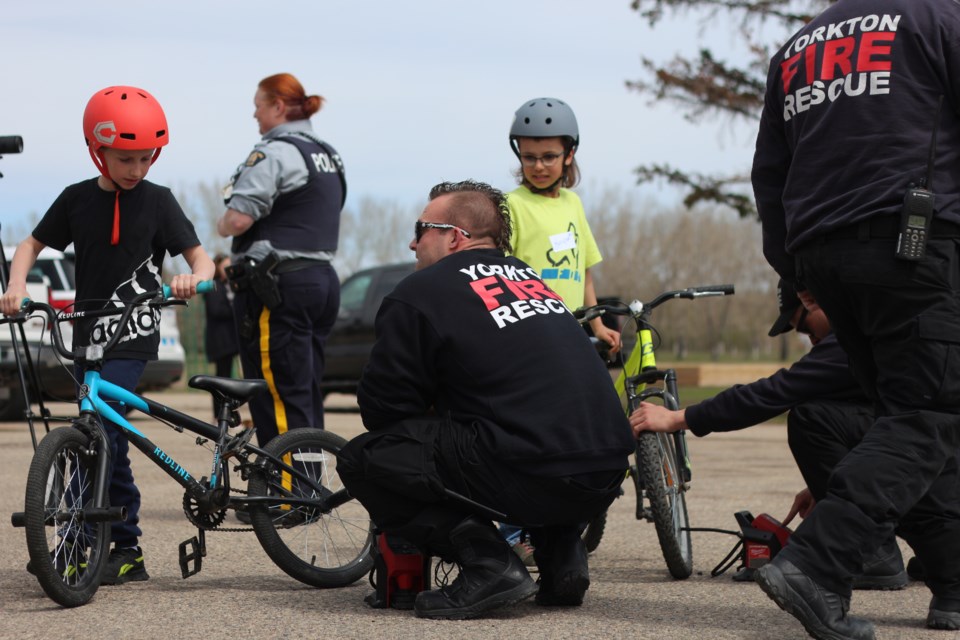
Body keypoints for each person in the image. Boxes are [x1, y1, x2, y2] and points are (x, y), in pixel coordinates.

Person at [751, 1, 960, 636]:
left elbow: (770, 175)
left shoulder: (797, 47)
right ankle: (817, 566)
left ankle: (953, 582)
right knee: (930, 412)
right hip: (915, 242)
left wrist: (796, 275)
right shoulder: (938, 19)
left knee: (903, 418)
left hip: (824, 255)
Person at [337, 180, 634, 620]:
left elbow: (384, 411)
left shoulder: (419, 292)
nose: (412, 242)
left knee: (367, 459)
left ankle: (490, 564)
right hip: (603, 477)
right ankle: (562, 556)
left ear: (455, 236)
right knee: (520, 430)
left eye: (422, 229)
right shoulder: (531, 280)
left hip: (535, 476)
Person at [0, 85, 214, 584]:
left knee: (100, 435)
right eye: (125, 159)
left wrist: (191, 277)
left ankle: (77, 544)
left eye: (145, 158)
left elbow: (199, 257)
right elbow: (30, 245)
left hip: (133, 335)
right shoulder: (76, 200)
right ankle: (127, 550)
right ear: (98, 150)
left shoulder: (158, 202)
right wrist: (14, 284)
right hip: (84, 336)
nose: (136, 169)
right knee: (104, 441)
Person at [630, 279, 907, 589]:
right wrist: (837, 481)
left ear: (816, 300)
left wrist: (680, 418)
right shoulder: (881, 317)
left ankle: (875, 552)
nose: (810, 339)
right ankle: (941, 552)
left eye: (803, 326)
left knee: (811, 418)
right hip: (939, 464)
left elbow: (773, 393)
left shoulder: (848, 340)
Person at [499, 97, 621, 557]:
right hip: (531, 336)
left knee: (580, 434)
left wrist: (599, 323)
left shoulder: (572, 203)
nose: (539, 165)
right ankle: (515, 533)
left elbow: (583, 270)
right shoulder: (509, 207)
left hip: (573, 335)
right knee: (534, 436)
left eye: (549, 156)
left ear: (569, 154)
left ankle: (560, 522)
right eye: (529, 157)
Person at [216, 72, 345, 447]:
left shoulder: (274, 152)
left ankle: (285, 498)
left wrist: (223, 225)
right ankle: (308, 488)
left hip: (278, 286)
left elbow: (239, 218)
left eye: (257, 106)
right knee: (303, 392)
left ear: (277, 106)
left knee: (275, 394)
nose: (254, 116)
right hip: (321, 280)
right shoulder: (328, 154)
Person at [204, 253, 240, 414]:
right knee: (222, 378)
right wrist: (236, 309)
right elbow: (215, 310)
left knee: (230, 379)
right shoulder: (214, 286)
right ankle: (219, 413)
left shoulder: (230, 285)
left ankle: (227, 412)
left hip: (232, 340)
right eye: (224, 266)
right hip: (220, 340)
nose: (228, 270)